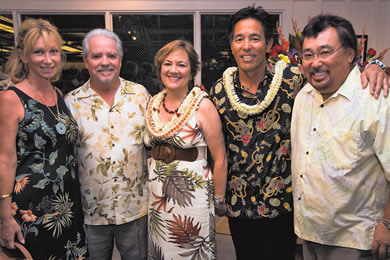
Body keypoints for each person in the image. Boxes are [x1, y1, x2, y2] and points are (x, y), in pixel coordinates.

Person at [209, 5, 389, 260]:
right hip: (242, 207)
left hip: (285, 208)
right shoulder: (219, 90)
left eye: (255, 38)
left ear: (269, 43)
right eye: (239, 39)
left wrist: (376, 65)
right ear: (231, 45)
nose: (246, 45)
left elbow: (338, 75)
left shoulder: (293, 80)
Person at [291, 14, 390, 260]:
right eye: (308, 54)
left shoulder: (375, 99)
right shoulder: (303, 96)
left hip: (356, 242)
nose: (315, 62)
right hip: (308, 235)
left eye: (325, 52)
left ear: (349, 55)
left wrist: (388, 224)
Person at [0, 18, 88, 259]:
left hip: (68, 204)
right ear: (23, 56)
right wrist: (5, 217)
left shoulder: (58, 94)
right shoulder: (10, 98)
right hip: (31, 209)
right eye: (38, 52)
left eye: (53, 52)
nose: (48, 59)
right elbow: (5, 161)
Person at [64, 29, 149, 260]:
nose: (105, 62)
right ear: (85, 61)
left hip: (135, 209)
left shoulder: (140, 95)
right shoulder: (71, 103)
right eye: (96, 56)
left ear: (120, 60)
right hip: (91, 213)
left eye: (111, 56)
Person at [144, 39, 227, 259]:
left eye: (181, 64)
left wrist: (219, 200)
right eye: (167, 64)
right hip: (157, 197)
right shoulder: (152, 103)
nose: (173, 70)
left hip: (192, 198)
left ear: (192, 72)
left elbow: (220, 158)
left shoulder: (203, 105)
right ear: (159, 68)